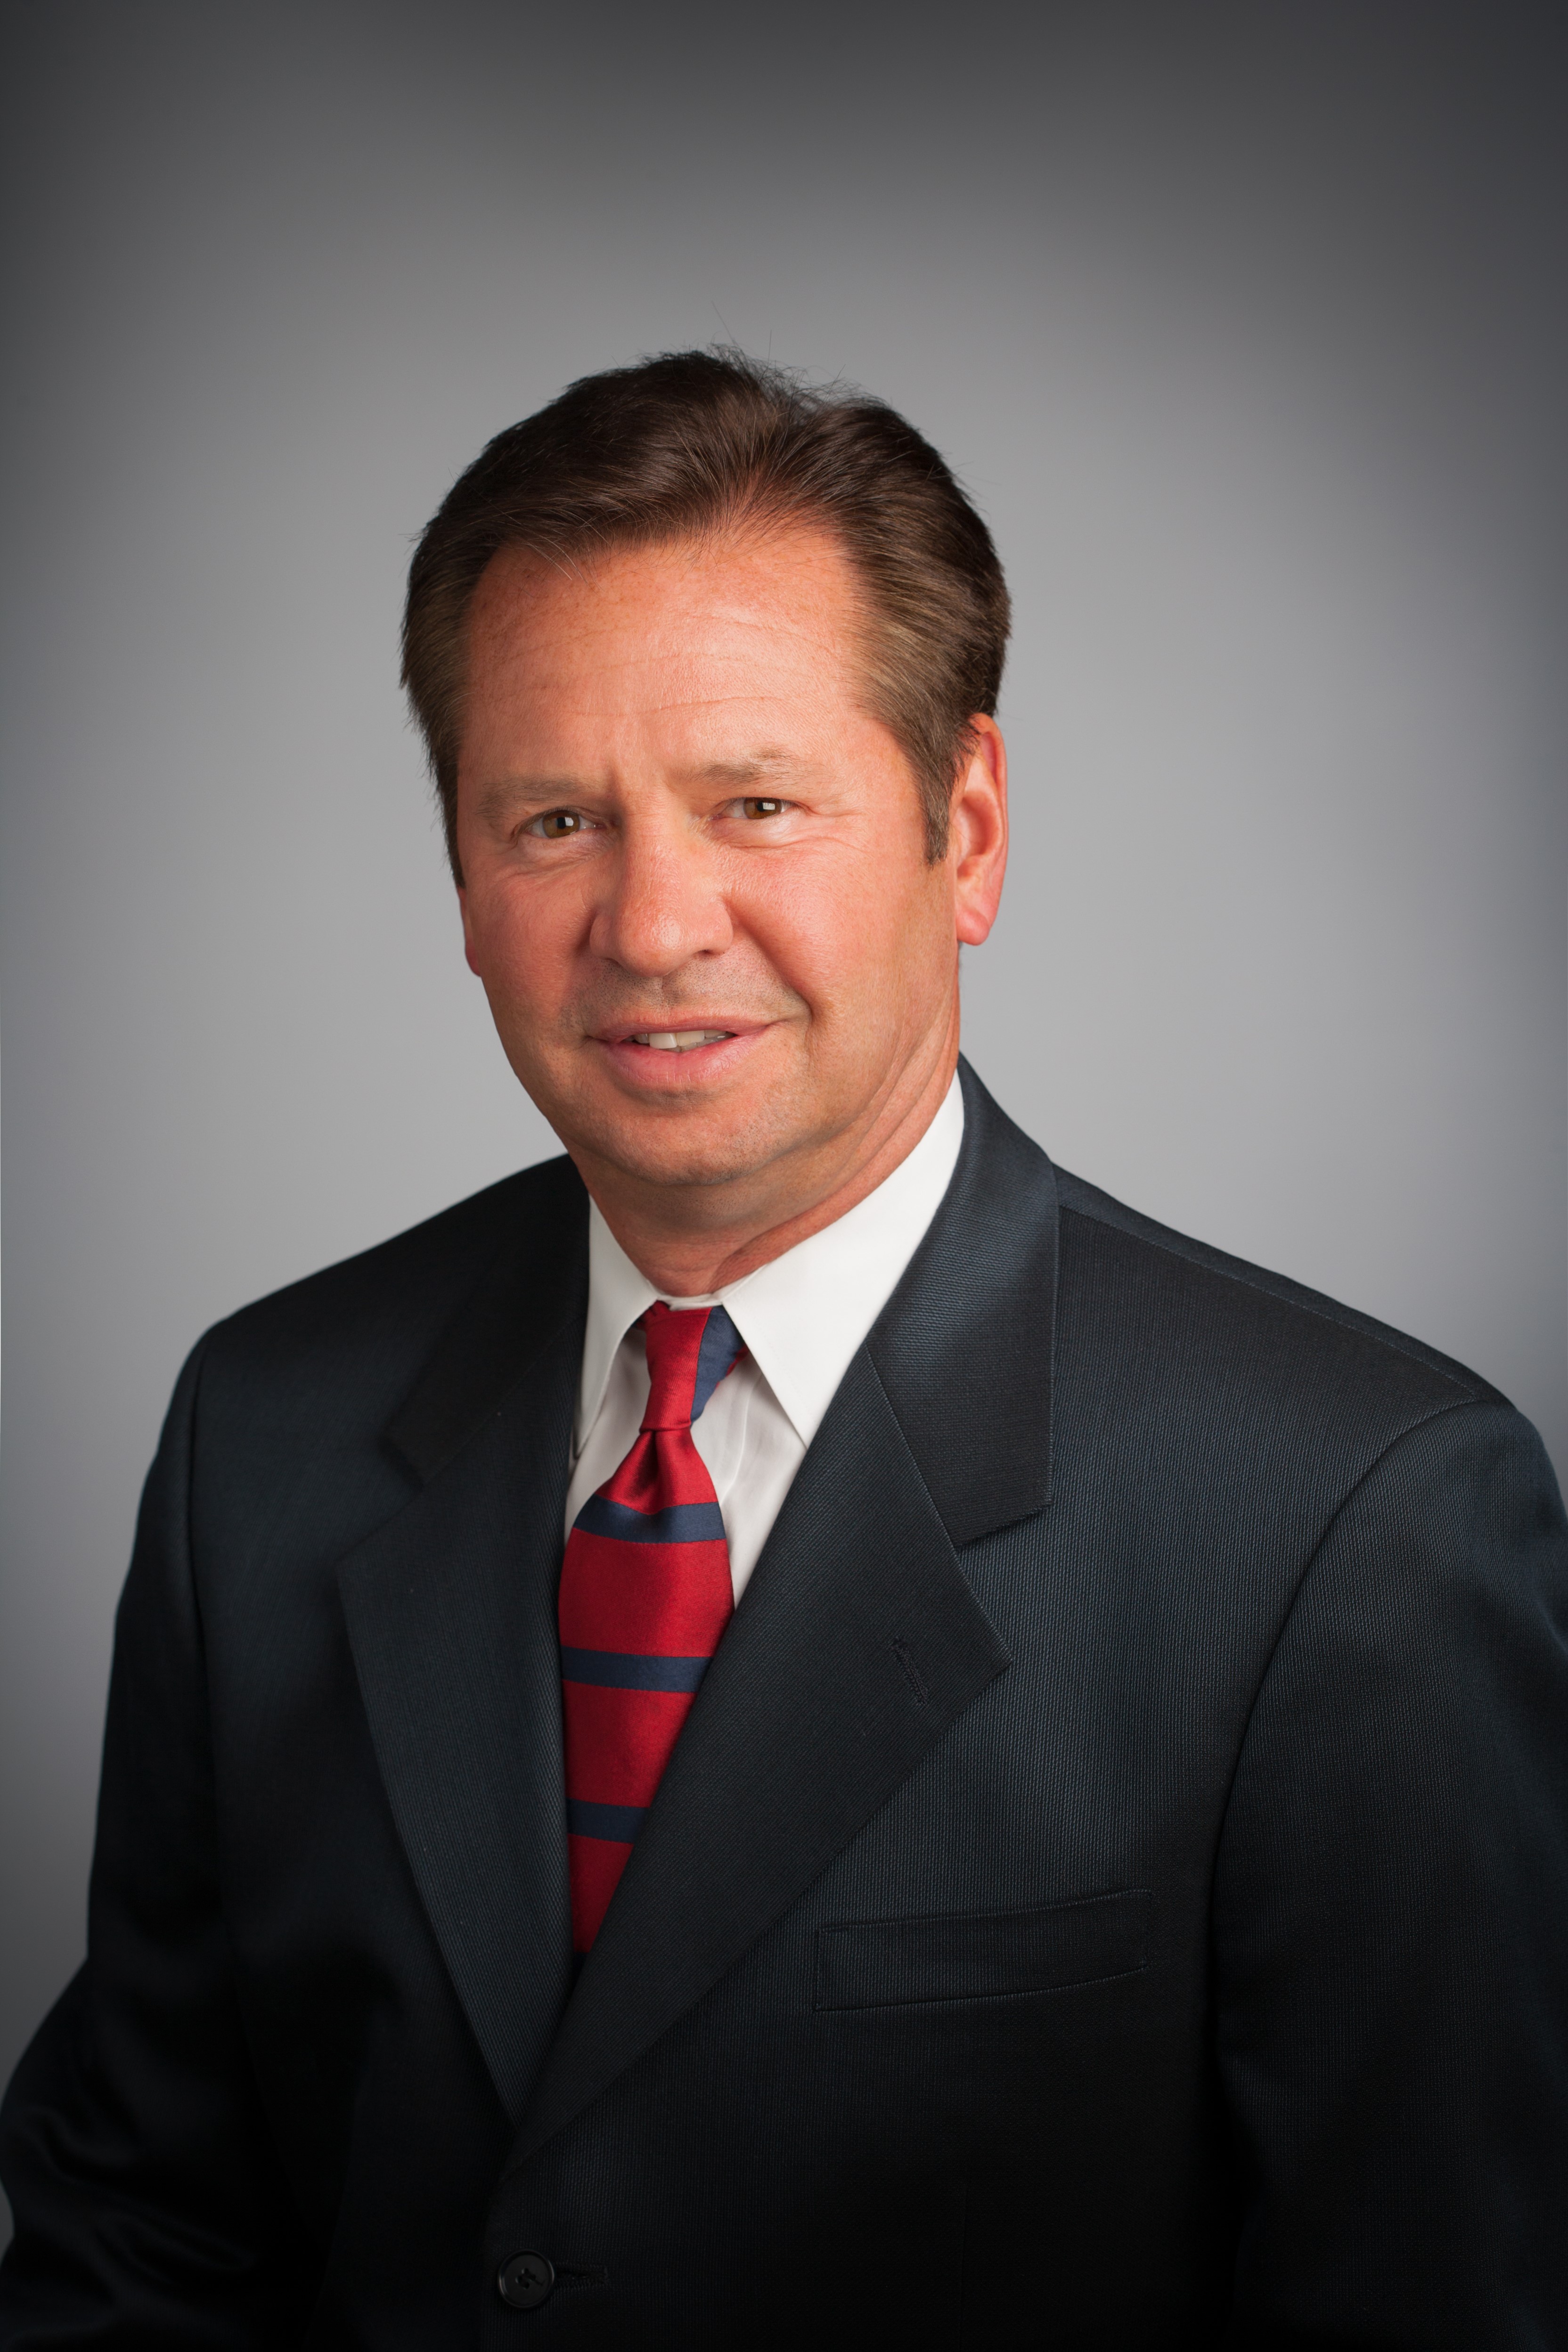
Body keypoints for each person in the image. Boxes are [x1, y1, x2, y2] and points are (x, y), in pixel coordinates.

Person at [2, 349, 1565, 2350]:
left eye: (753, 804)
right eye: (555, 818)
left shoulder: (1356, 1524)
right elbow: (143, 2238)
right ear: (462, 877)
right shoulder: (266, 1432)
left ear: (965, 831)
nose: (653, 925)